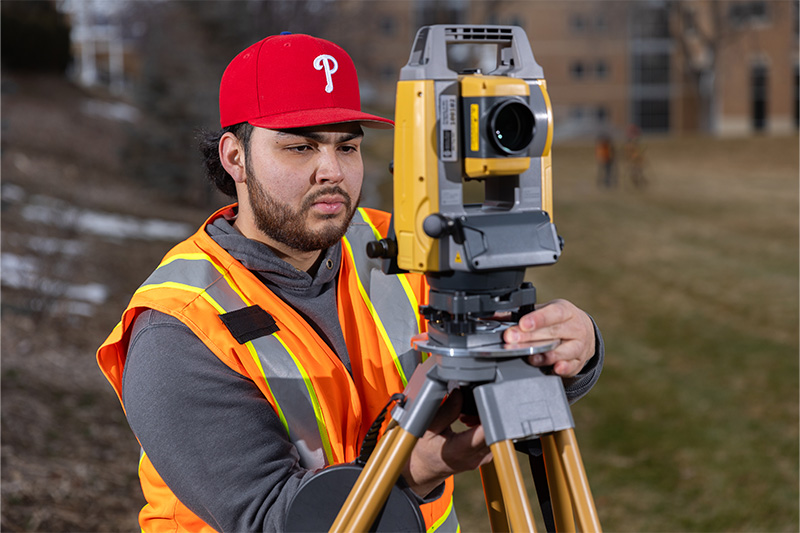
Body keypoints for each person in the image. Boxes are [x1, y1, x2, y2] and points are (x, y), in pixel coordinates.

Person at [97, 33, 604, 533]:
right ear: (235, 158)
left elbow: (495, 372)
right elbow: (270, 519)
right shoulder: (180, 328)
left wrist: (569, 352)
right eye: (300, 147)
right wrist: (415, 470)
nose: (331, 171)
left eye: (348, 146)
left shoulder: (403, 246)